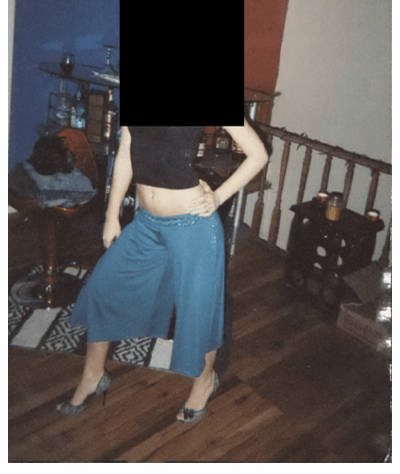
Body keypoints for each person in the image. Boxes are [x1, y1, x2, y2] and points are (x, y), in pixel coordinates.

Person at [57, 120, 268, 423]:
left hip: (193, 226)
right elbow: (126, 152)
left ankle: (205, 382)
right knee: (103, 288)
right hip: (146, 224)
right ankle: (93, 375)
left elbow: (258, 154)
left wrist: (218, 197)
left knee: (198, 311)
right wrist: (112, 214)